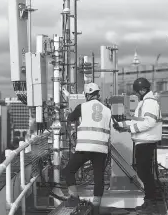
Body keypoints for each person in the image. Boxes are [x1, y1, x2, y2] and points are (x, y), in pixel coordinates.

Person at [113, 77, 162, 214]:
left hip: (146, 141)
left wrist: (131, 129)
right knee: (143, 171)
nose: (135, 94)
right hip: (143, 141)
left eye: (137, 92)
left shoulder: (149, 103)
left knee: (144, 172)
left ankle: (151, 201)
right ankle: (149, 199)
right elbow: (137, 120)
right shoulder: (144, 102)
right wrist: (123, 125)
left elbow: (149, 122)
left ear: (142, 90)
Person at [63, 82, 112, 214]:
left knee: (68, 171)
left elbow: (70, 118)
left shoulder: (82, 107)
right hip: (101, 149)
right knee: (99, 177)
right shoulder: (107, 110)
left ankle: (74, 197)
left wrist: (70, 112)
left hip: (85, 147)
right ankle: (96, 206)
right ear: (98, 94)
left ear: (86, 95)